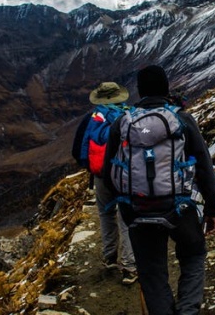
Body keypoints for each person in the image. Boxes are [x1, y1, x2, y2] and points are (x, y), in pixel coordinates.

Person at [103, 65, 215, 315]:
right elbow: (203, 166)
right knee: (193, 254)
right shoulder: (182, 119)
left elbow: (108, 172)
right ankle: (188, 310)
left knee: (152, 274)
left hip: (137, 210)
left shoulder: (123, 123)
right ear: (167, 88)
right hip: (178, 208)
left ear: (140, 91)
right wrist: (212, 208)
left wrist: (125, 206)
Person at [71, 81, 138, 285]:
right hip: (126, 175)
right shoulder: (131, 116)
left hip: (101, 176)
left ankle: (110, 257)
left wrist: (92, 168)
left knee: (106, 213)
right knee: (126, 217)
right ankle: (129, 266)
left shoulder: (92, 118)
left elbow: (77, 150)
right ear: (120, 96)